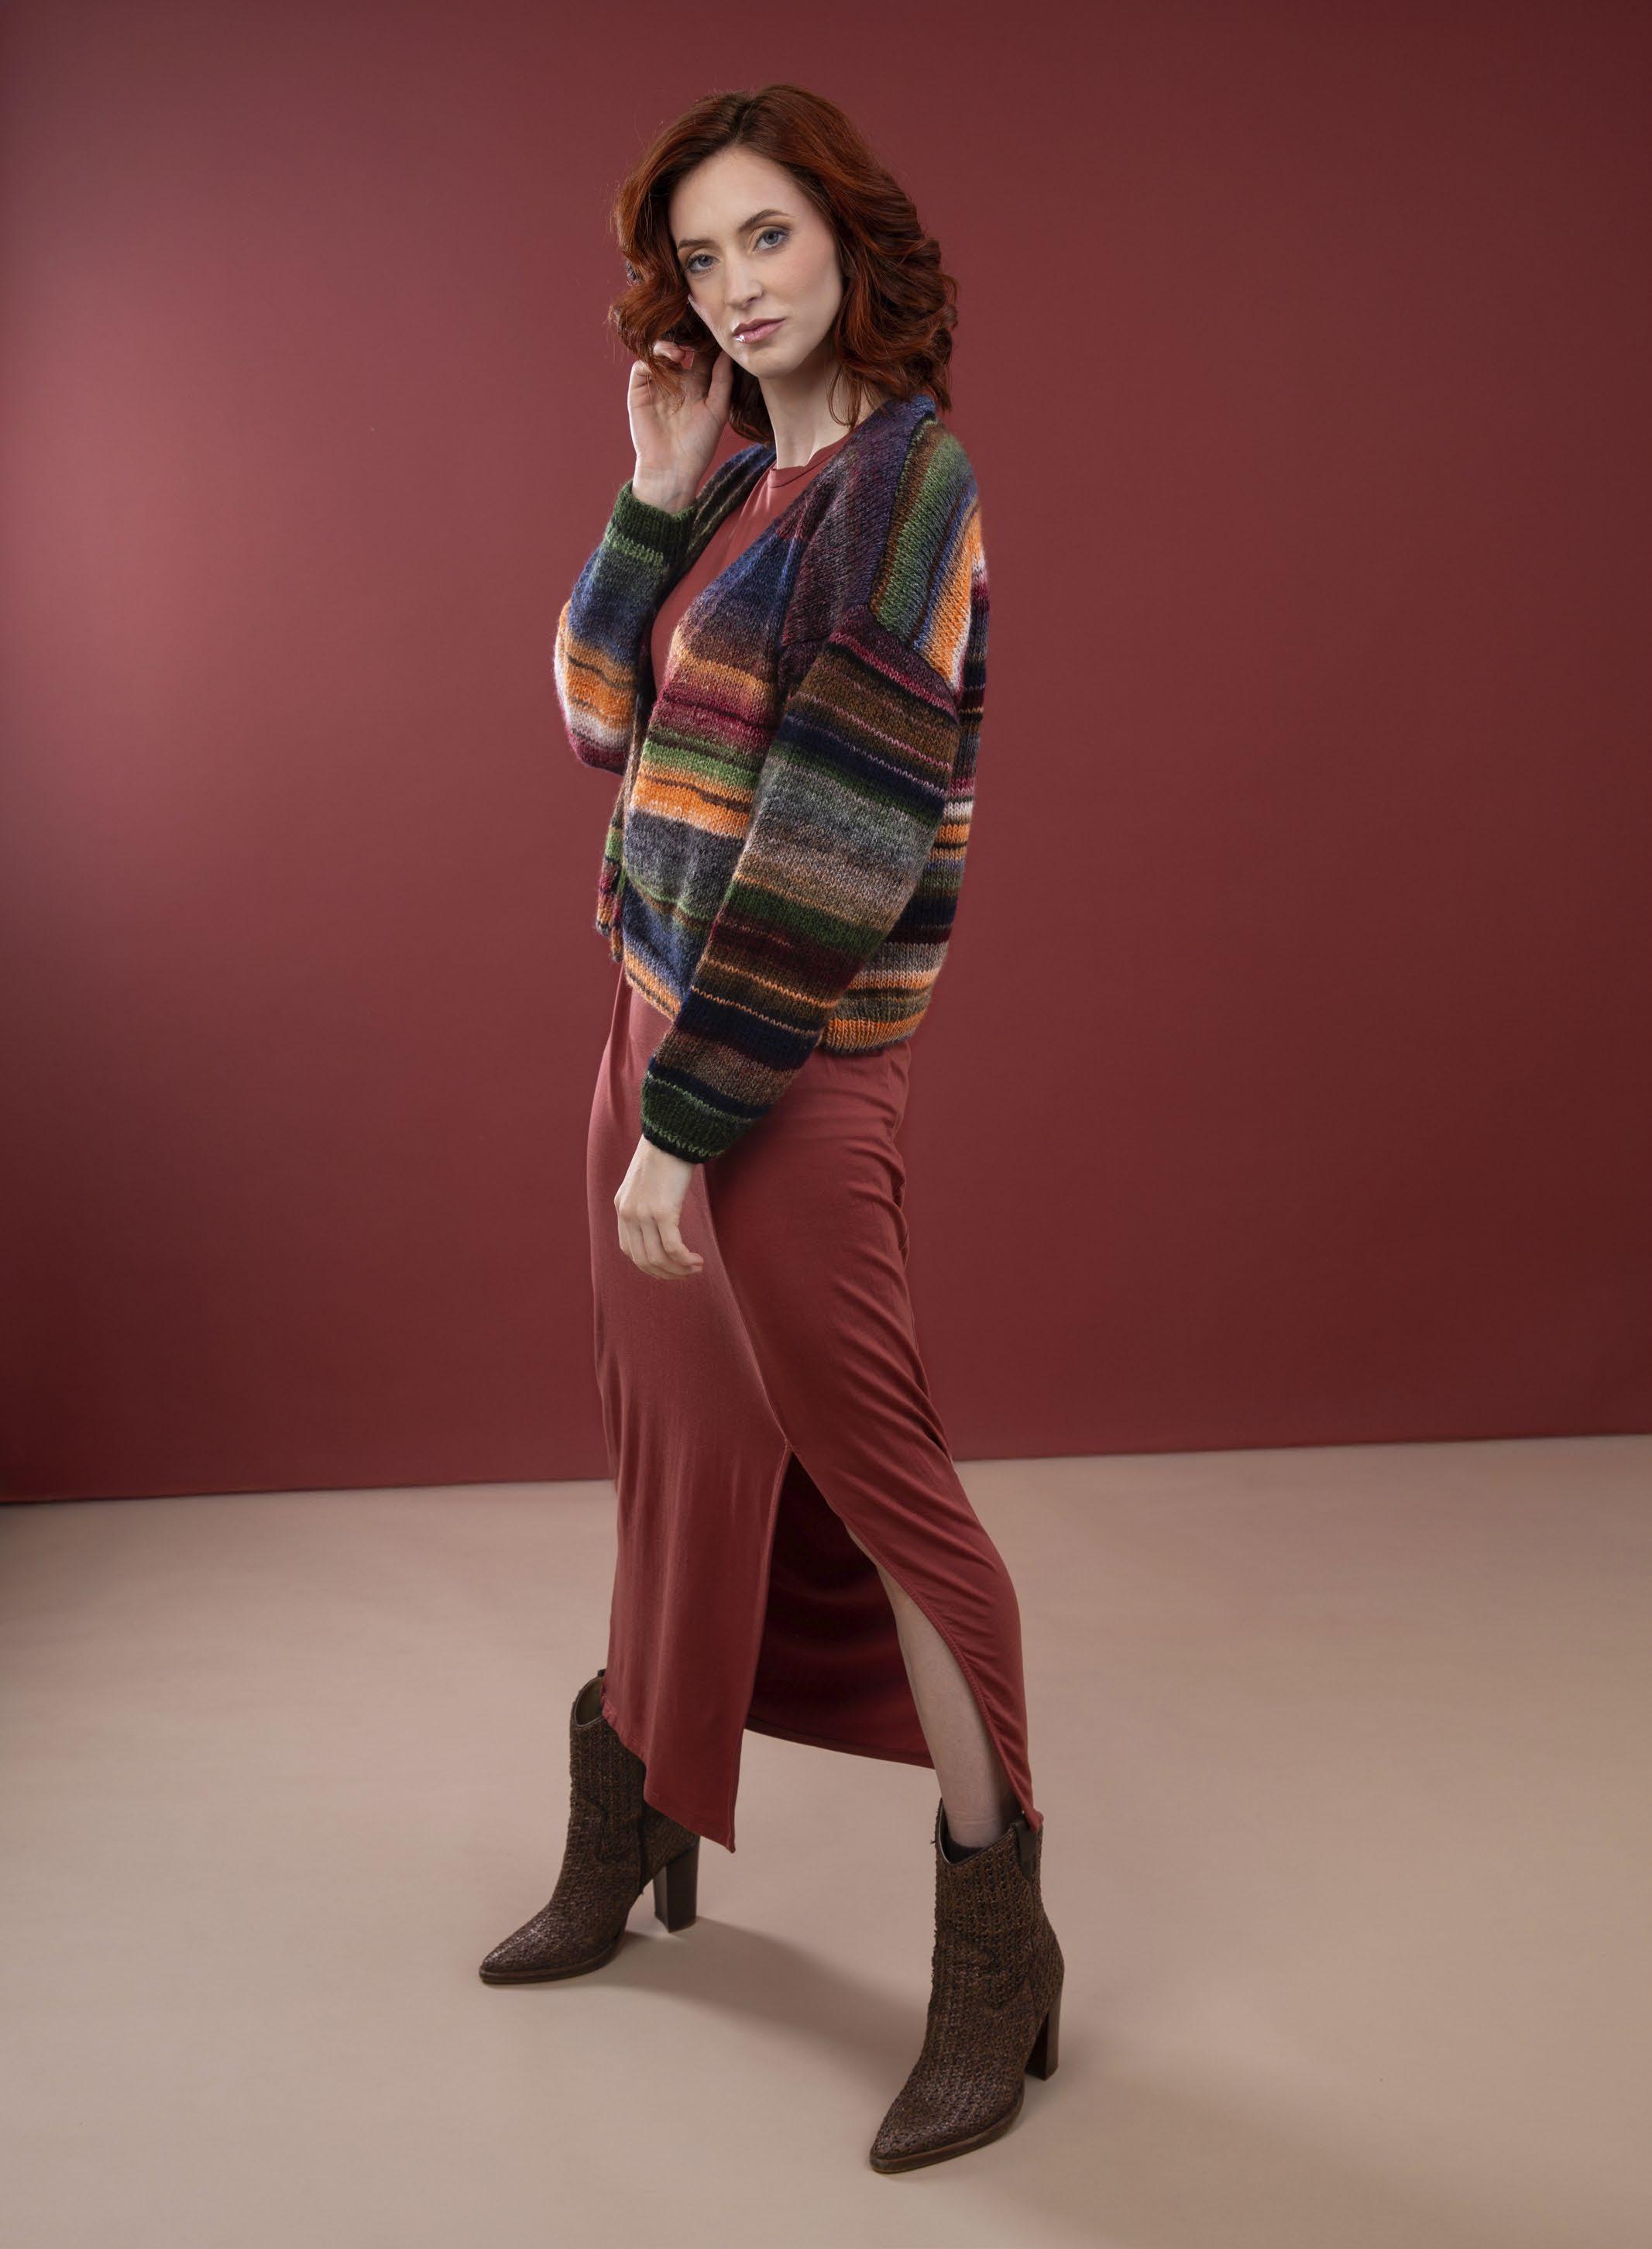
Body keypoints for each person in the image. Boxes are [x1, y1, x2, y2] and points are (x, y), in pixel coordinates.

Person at [479, 83, 1063, 2173]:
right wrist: (652, 497)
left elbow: (835, 845)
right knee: (675, 1459)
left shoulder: (910, 488)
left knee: (885, 1489)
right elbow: (594, 718)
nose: (735, 287)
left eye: (768, 239)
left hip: (784, 1075)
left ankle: (998, 1945)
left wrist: (690, 1120)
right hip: (648, 1036)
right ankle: (635, 1814)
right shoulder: (738, 477)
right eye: (702, 256)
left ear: (849, 241)